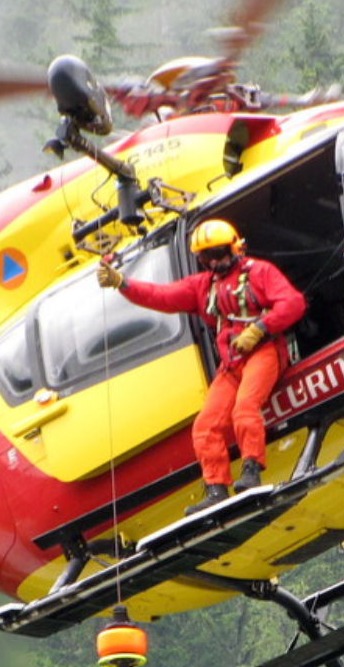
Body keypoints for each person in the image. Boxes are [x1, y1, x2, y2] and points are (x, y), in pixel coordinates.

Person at [97, 219, 306, 515]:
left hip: (265, 352)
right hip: (232, 364)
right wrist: (122, 283)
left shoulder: (260, 272)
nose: (214, 261)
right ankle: (216, 489)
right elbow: (162, 296)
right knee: (205, 426)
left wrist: (260, 328)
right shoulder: (202, 287)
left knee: (245, 408)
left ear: (234, 247)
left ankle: (251, 470)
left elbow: (293, 303)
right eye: (207, 256)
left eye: (219, 252)